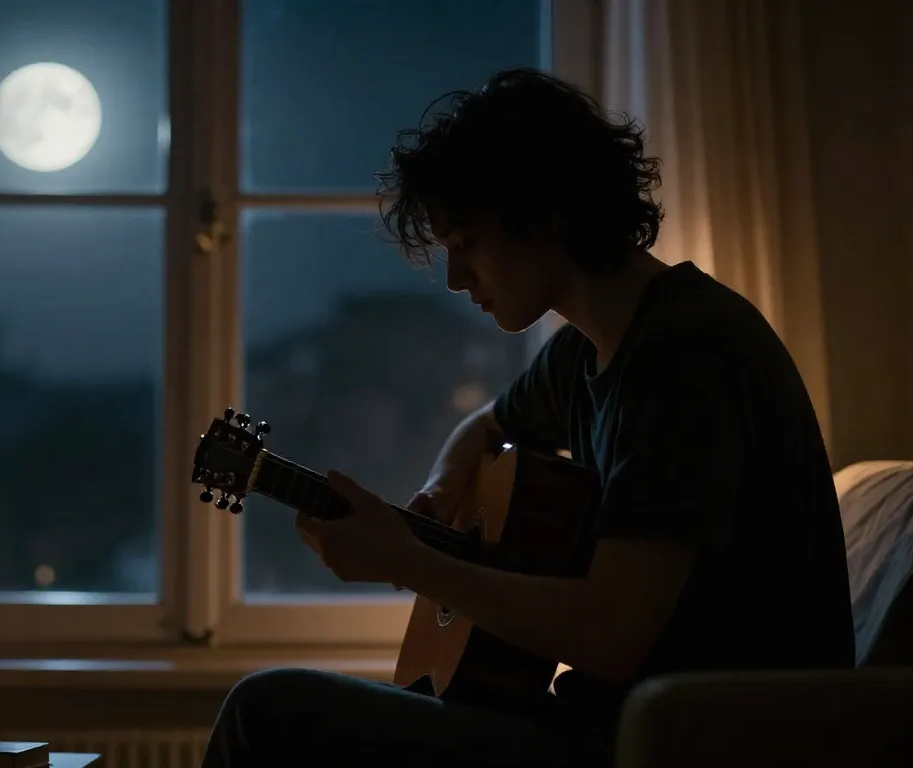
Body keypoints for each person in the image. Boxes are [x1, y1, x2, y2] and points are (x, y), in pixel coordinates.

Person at [200, 68, 855, 768]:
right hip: (613, 723)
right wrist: (444, 489)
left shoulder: (682, 358)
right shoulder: (585, 352)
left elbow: (612, 636)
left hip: (693, 742)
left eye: (468, 244)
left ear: (547, 214)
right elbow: (484, 426)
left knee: (267, 711)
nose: (455, 279)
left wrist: (409, 559)